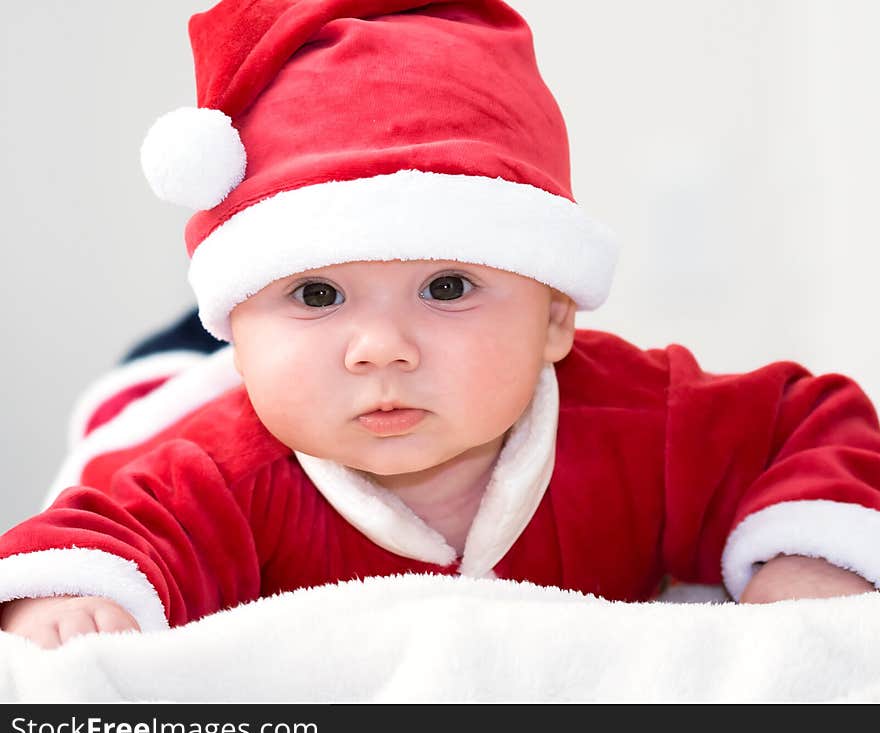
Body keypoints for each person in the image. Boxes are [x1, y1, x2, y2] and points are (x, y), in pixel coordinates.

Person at [0, 0, 877, 650]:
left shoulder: (640, 420)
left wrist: (807, 549)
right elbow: (103, 531)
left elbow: (806, 425)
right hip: (182, 382)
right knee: (148, 400)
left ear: (555, 318)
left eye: (448, 286)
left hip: (291, 359)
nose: (382, 345)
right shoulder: (221, 470)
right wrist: (71, 600)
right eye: (317, 292)